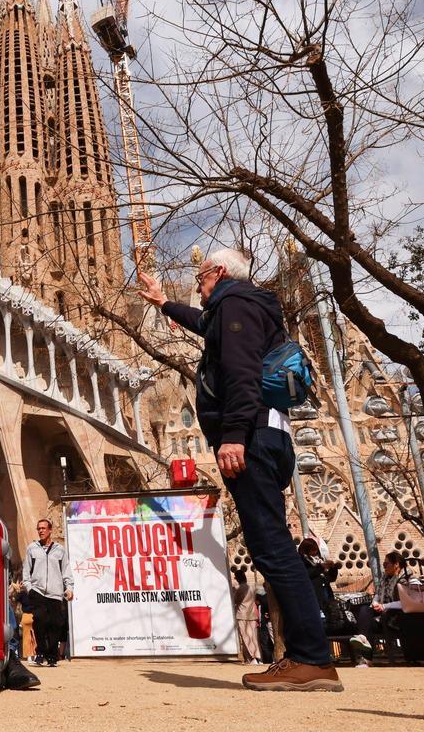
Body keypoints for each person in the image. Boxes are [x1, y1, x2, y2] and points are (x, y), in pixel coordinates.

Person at [138, 253, 342, 692]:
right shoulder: (241, 306)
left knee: (272, 549)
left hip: (250, 439)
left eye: (201, 277)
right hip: (267, 436)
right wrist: (163, 304)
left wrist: (232, 435)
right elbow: (208, 328)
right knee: (271, 545)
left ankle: (312, 658)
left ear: (221, 273)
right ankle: (305, 656)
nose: (198, 284)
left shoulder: (235, 305)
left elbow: (241, 371)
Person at [22, 519, 73, 667]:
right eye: (39, 529)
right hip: (37, 591)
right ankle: (40, 652)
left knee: (55, 624)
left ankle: (52, 656)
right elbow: (27, 571)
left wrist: (69, 588)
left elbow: (66, 570)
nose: (41, 531)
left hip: (55, 592)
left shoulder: (60, 550)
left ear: (50, 530)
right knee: (39, 620)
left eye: (44, 528)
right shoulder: (32, 548)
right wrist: (29, 587)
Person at [351, 551, 413, 667]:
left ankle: (366, 657)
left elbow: (406, 602)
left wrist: (384, 606)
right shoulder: (384, 579)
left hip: (397, 617)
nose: (384, 567)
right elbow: (378, 595)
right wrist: (375, 604)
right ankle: (363, 640)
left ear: (396, 565)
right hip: (382, 616)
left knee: (368, 622)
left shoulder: (407, 579)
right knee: (365, 610)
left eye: (386, 564)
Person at [233, 570, 262, 665]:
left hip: (242, 614)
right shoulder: (253, 587)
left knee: (246, 637)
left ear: (238, 578)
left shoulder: (239, 588)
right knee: (253, 637)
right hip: (252, 614)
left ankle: (253, 658)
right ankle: (255, 657)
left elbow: (235, 600)